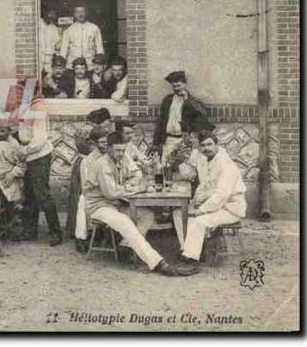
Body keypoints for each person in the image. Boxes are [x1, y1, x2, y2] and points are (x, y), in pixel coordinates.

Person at [85, 132, 179, 276]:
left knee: (147, 215)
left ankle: (126, 246)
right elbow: (110, 193)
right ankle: (157, 262)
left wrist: (129, 184)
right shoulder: (102, 164)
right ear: (109, 148)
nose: (121, 153)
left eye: (123, 150)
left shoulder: (122, 158)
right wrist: (134, 189)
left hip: (116, 204)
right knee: (125, 222)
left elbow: (137, 174)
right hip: (99, 206)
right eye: (117, 150)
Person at [176, 131, 247, 275]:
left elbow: (221, 195)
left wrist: (202, 209)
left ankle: (192, 262)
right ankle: (194, 252)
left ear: (217, 145)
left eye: (209, 144)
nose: (206, 148)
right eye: (202, 145)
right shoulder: (206, 159)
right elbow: (205, 185)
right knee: (187, 214)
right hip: (218, 206)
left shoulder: (226, 165)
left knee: (199, 220)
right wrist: (196, 202)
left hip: (231, 208)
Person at [10, 84, 63, 245]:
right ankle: (30, 231)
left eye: (25, 92)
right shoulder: (27, 107)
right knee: (30, 195)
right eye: (20, 91)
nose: (22, 95)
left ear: (35, 92)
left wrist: (23, 151)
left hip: (39, 156)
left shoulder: (38, 108)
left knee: (42, 195)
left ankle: (56, 233)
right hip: (30, 156)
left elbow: (40, 139)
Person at [67, 125, 108, 249]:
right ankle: (81, 237)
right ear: (93, 143)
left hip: (105, 191)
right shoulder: (88, 159)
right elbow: (87, 186)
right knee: (82, 202)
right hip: (92, 190)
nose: (104, 145)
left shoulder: (107, 155)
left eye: (106, 142)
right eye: (101, 142)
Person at [152, 71, 207, 163]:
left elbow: (200, 115)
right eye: (174, 86)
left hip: (185, 141)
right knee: (167, 168)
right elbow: (160, 122)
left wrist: (186, 100)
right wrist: (156, 143)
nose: (176, 89)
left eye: (179, 85)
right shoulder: (167, 100)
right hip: (168, 141)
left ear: (185, 84)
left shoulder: (194, 101)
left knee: (184, 169)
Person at [0, 124, 26, 240]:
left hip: (4, 185)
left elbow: (22, 164)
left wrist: (12, 174)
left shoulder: (6, 146)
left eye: (2, 131)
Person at [40, 10, 62, 75]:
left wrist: (61, 35)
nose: (51, 16)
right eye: (50, 13)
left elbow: (57, 46)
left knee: (49, 77)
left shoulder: (54, 28)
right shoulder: (37, 23)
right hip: (38, 58)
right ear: (45, 13)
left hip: (48, 59)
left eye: (54, 14)